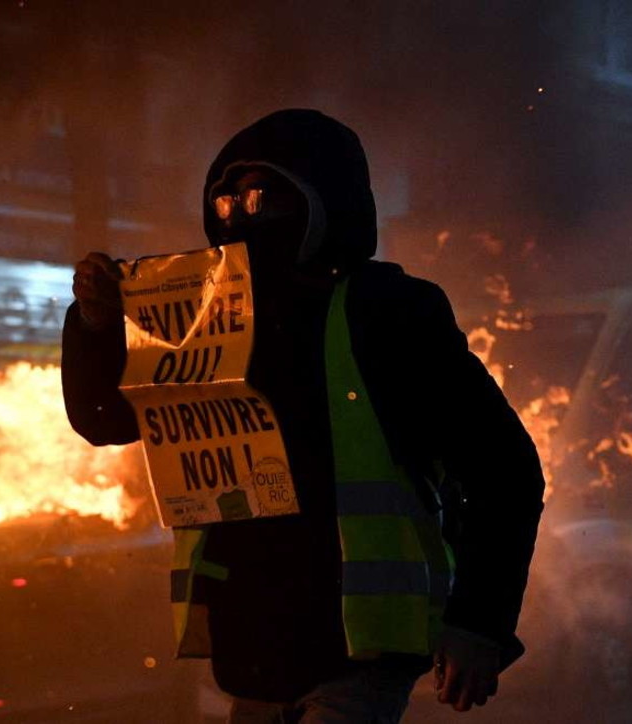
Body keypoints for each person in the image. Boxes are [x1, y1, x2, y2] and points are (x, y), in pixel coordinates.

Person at [61, 109, 544, 722]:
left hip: (356, 652)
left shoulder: (389, 313)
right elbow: (106, 419)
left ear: (325, 201)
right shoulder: (206, 317)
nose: (240, 214)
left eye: (262, 196)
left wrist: (480, 623)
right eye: (226, 200)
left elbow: (505, 472)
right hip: (250, 654)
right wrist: (96, 329)